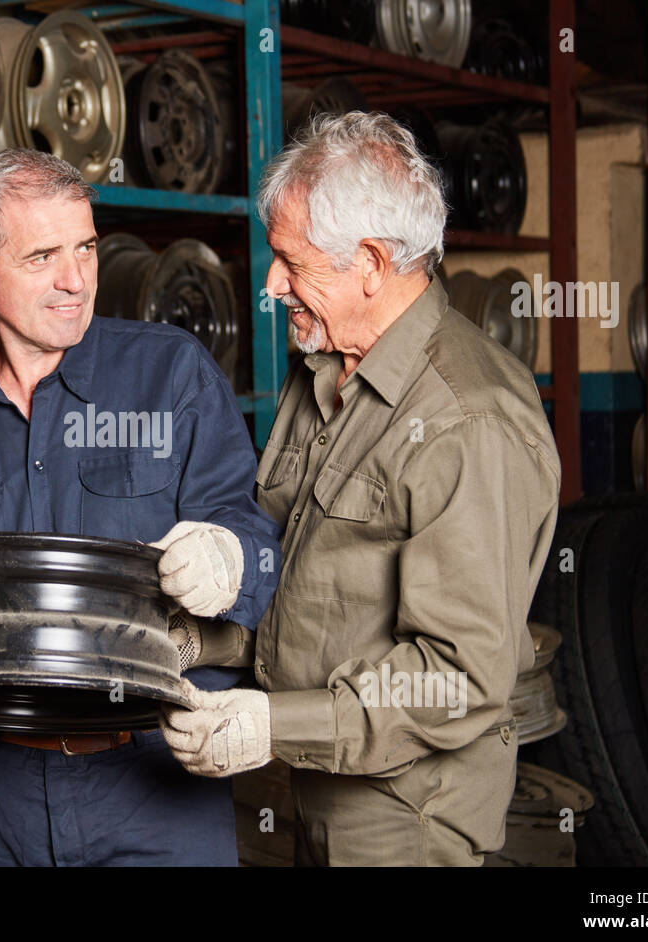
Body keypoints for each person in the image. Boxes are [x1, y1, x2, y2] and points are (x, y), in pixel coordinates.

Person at [0, 147, 281, 866]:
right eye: (43, 256)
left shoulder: (170, 374)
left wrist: (232, 557)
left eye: (84, 246)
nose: (76, 279)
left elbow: (261, 548)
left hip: (155, 780)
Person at [159, 111, 561, 866]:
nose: (272, 286)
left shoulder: (465, 422)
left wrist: (273, 727)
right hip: (282, 788)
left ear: (370, 263)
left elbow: (457, 678)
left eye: (291, 262)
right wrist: (196, 640)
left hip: (397, 818)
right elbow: (304, 589)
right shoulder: (321, 375)